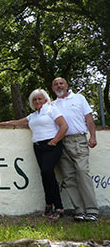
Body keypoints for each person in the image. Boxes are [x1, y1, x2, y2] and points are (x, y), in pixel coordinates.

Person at [0, 89, 68, 220]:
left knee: (47, 171)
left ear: (45, 100)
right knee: (45, 175)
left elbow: (64, 126)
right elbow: (16, 122)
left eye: (40, 99)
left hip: (52, 146)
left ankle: (59, 207)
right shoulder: (33, 116)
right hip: (38, 147)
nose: (37, 101)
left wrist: (54, 141)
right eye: (35, 99)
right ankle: (49, 206)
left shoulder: (51, 110)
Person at [52, 77, 99, 222]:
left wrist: (93, 137)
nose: (59, 86)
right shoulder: (52, 104)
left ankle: (91, 210)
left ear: (66, 85)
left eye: (61, 83)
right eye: (56, 84)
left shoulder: (79, 98)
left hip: (78, 139)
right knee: (68, 177)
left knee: (82, 172)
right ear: (53, 88)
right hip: (61, 142)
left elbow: (89, 118)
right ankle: (79, 211)